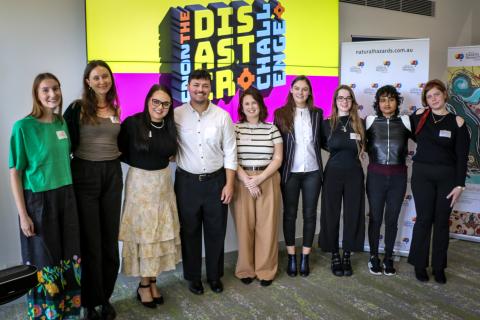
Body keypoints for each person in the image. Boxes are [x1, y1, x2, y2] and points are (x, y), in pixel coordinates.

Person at [9, 73, 81, 319]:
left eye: (56, 89)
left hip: (67, 197)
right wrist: (23, 215)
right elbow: (15, 174)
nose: (53, 95)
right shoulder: (23, 127)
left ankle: (69, 312)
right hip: (38, 202)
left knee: (69, 258)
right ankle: (46, 315)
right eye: (46, 90)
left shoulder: (62, 123)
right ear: (37, 95)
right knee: (44, 263)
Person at [64, 60, 123, 319]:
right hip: (85, 175)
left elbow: (120, 142)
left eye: (105, 77)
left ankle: (105, 298)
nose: (102, 81)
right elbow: (63, 144)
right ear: (88, 81)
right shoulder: (76, 109)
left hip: (112, 174)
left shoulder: (115, 108)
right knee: (90, 242)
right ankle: (89, 302)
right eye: (96, 77)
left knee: (109, 239)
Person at [117, 84, 181, 308]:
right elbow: (119, 150)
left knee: (159, 233)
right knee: (145, 235)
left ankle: (152, 280)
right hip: (140, 187)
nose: (160, 107)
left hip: (163, 185)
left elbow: (171, 154)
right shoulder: (133, 124)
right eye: (156, 101)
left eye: (165, 103)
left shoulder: (170, 127)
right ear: (148, 101)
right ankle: (144, 285)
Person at [174, 69, 237, 295]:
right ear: (188, 87)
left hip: (216, 182)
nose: (200, 89)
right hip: (186, 183)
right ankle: (193, 277)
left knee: (216, 231)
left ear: (211, 88)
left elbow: (231, 151)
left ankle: (214, 276)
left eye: (204, 85)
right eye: (196, 85)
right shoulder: (176, 114)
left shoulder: (222, 116)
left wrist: (230, 184)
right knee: (189, 232)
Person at [408, 79, 470, 284]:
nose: (433, 98)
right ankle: (419, 264)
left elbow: (462, 156)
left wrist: (460, 185)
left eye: (436, 94)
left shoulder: (458, 122)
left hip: (447, 178)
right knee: (424, 219)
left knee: (442, 222)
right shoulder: (418, 117)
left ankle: (439, 267)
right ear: (425, 100)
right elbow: (396, 131)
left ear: (444, 95)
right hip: (422, 176)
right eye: (429, 96)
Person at [231, 87, 283, 287]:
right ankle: (245, 269)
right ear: (242, 108)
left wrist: (259, 179)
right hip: (241, 180)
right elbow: (230, 157)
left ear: (260, 105)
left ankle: (266, 271)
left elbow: (278, 158)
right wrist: (246, 179)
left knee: (267, 227)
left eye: (254, 103)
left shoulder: (271, 128)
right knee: (245, 227)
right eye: (246, 104)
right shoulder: (235, 129)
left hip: (267, 179)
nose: (251, 107)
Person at [274, 75, 324, 277]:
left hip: (312, 172)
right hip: (290, 173)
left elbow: (325, 140)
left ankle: (305, 257)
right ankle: (292, 257)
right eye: (297, 88)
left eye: (304, 89)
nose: (301, 92)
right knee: (290, 214)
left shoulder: (317, 114)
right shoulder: (280, 114)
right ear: (291, 90)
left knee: (310, 214)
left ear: (309, 92)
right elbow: (275, 144)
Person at [319, 85, 366, 277]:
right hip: (333, 174)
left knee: (353, 213)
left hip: (354, 173)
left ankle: (347, 253)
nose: (344, 101)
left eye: (348, 98)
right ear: (335, 101)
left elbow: (365, 145)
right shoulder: (326, 123)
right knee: (331, 213)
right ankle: (334, 255)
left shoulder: (360, 123)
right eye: (340, 98)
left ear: (352, 102)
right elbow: (323, 144)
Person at [365, 85, 412, 276]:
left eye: (391, 99)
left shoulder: (406, 121)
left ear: (397, 102)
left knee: (392, 220)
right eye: (383, 99)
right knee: (375, 218)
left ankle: (388, 257)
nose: (387, 103)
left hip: (398, 177)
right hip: (375, 176)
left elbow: (427, 138)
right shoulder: (369, 120)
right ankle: (374, 256)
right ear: (377, 103)